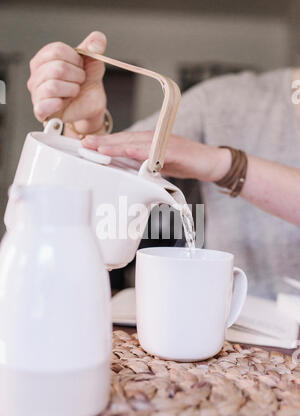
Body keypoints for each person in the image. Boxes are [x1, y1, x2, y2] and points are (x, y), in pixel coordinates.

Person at [27, 31, 300, 299]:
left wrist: (222, 163)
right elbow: (113, 164)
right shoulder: (222, 103)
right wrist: (86, 124)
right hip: (239, 327)